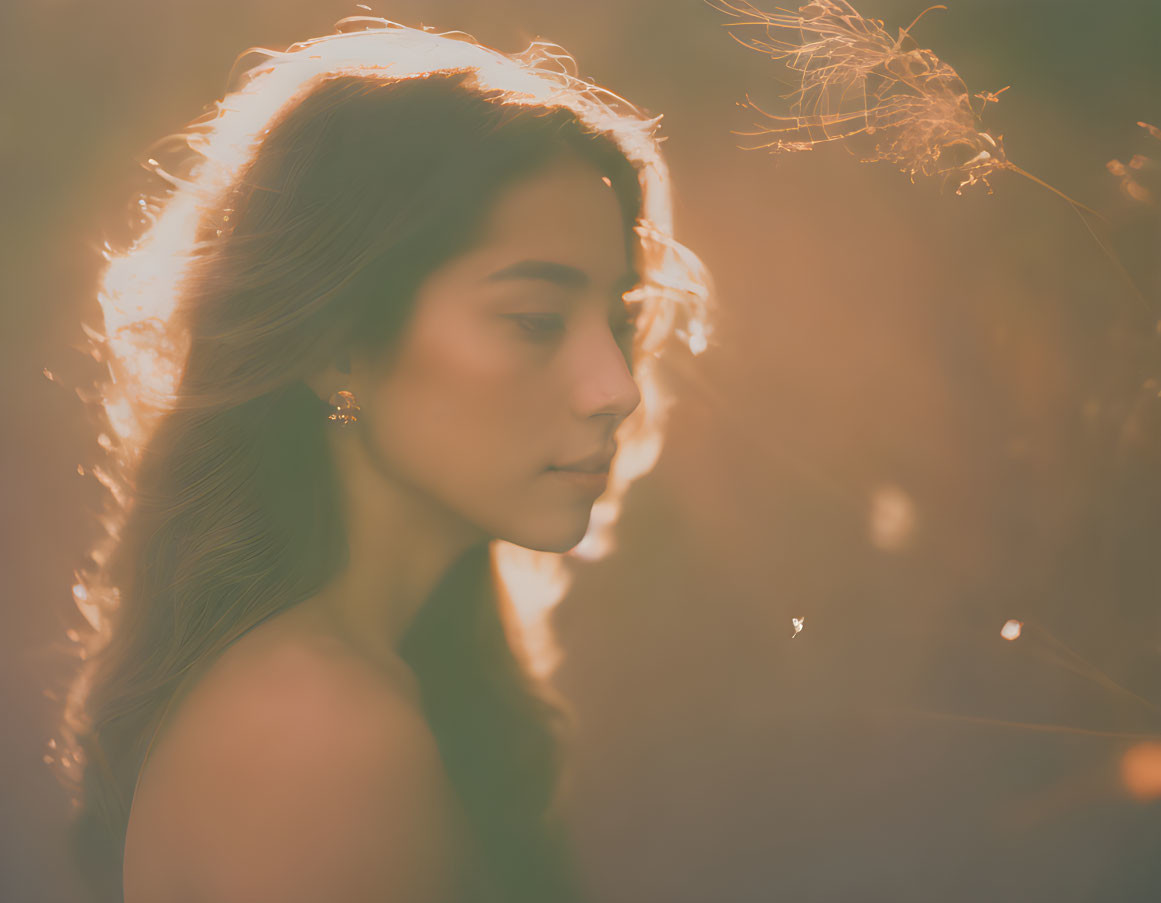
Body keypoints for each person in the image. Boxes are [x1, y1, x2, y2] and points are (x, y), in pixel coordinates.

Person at [51, 16, 714, 903]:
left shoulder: (355, 683)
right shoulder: (317, 730)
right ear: (339, 347)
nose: (616, 387)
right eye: (535, 321)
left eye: (619, 325)